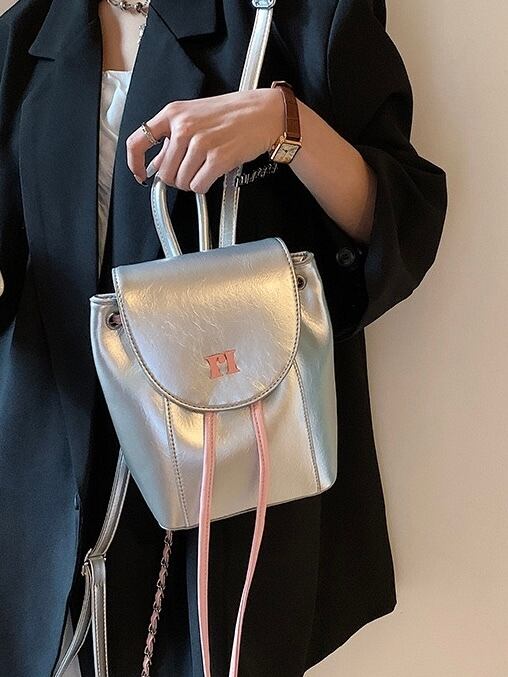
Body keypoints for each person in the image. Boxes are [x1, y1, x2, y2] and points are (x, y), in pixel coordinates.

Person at [0, 0, 448, 675]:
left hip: (226, 490)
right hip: (46, 498)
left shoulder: (297, 16)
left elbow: (404, 219)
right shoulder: (26, 35)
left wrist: (284, 123)